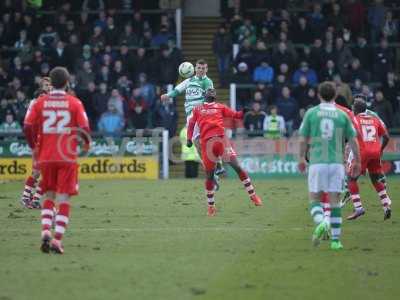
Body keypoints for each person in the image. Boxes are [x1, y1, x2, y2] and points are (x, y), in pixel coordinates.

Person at [23, 67, 91, 254]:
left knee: (49, 196)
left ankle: (45, 231)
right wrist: (85, 146)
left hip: (46, 156)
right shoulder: (74, 102)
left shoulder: (40, 102)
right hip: (66, 157)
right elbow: (85, 127)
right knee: (64, 199)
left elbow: (28, 125)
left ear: (51, 84)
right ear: (67, 82)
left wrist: (33, 146)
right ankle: (57, 240)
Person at [298, 81, 361, 250]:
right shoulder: (343, 115)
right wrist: (358, 161)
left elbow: (303, 138)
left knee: (314, 199)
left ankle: (321, 223)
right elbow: (354, 140)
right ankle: (335, 241)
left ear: (319, 95)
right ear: (335, 96)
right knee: (335, 201)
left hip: (317, 162)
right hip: (336, 163)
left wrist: (300, 159)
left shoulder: (312, 113)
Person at [187, 89, 262, 216]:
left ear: (215, 96)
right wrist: (189, 138)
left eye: (213, 92)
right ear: (205, 95)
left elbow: (236, 115)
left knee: (237, 167)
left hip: (222, 141)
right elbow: (191, 124)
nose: (211, 93)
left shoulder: (220, 107)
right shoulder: (197, 109)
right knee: (210, 176)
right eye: (209, 92)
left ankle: (253, 195)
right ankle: (211, 206)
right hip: (207, 145)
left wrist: (243, 112)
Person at [160, 59, 225, 176]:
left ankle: (217, 164)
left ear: (206, 69)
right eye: (199, 68)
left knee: (207, 139)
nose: (201, 70)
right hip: (190, 115)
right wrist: (167, 95)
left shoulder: (207, 82)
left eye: (203, 68)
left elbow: (210, 97)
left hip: (202, 114)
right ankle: (213, 166)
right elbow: (177, 90)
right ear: (195, 69)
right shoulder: (189, 81)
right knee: (197, 142)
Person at [346, 98, 392, 220]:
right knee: (375, 180)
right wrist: (381, 149)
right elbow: (386, 136)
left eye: (353, 107)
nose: (352, 109)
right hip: (375, 152)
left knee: (351, 179)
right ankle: (386, 206)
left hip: (362, 153)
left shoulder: (354, 119)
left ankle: (358, 208)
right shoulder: (375, 119)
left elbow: (349, 135)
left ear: (355, 109)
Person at [20, 77, 52, 209]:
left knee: (38, 172)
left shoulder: (51, 101)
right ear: (41, 87)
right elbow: (28, 124)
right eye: (46, 85)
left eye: (50, 85)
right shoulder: (38, 101)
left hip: (48, 140)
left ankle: (29, 198)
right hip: (41, 140)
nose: (49, 87)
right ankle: (32, 198)